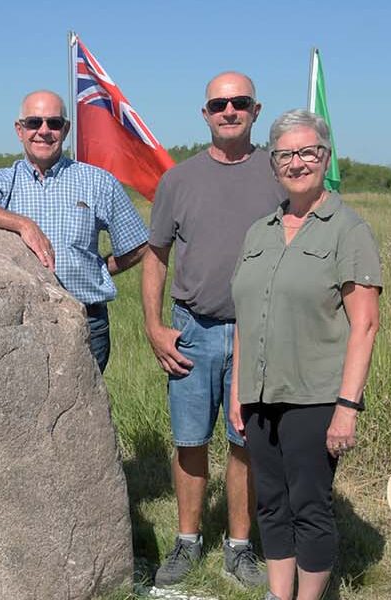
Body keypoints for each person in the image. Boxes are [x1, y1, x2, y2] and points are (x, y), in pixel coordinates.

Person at [228, 109, 381, 600]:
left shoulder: (347, 230)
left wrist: (347, 407)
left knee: (309, 505)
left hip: (315, 395)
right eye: (286, 155)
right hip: (258, 394)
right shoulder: (260, 231)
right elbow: (245, 318)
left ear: (325, 157)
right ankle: (279, 593)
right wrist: (237, 391)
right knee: (271, 502)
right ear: (274, 164)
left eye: (307, 152)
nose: (297, 163)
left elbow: (366, 324)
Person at [142, 72, 282, 588]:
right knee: (189, 439)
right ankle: (187, 541)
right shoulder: (179, 179)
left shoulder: (278, 171)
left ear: (256, 109)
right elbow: (156, 255)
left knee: (245, 443)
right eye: (219, 104)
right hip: (192, 331)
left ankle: (240, 548)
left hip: (259, 335)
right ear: (204, 113)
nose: (229, 110)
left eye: (239, 102)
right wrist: (154, 326)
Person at [0, 90, 148, 371]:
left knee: (85, 413)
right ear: (19, 130)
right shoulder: (2, 181)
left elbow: (138, 245)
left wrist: (98, 268)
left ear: (65, 129)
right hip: (22, 320)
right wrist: (22, 224)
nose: (43, 131)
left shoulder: (98, 182)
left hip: (87, 320)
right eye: (33, 123)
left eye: (53, 123)